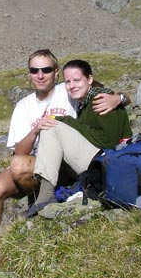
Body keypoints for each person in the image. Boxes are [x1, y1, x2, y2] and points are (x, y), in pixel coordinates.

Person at [0, 50, 129, 252]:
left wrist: (119, 97)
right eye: (34, 70)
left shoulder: (68, 90)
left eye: (46, 70)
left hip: (70, 160)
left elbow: (99, 91)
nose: (40, 75)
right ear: (29, 73)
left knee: (23, 161)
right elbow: (20, 151)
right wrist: (35, 130)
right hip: (39, 159)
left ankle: (46, 197)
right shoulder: (24, 106)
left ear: (55, 72)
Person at [26, 59, 133, 216]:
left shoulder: (100, 99)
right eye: (68, 82)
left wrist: (65, 120)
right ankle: (47, 193)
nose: (72, 86)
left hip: (109, 165)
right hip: (100, 162)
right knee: (52, 128)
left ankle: (45, 195)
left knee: (51, 127)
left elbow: (108, 142)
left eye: (77, 80)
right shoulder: (85, 102)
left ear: (89, 79)